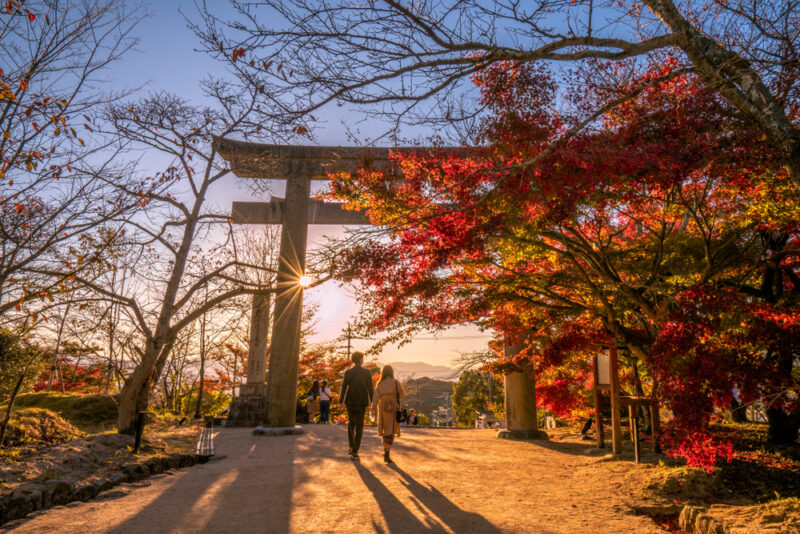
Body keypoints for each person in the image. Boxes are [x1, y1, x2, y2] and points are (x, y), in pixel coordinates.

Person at [339, 352, 374, 460]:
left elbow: (344, 387)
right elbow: (370, 389)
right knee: (359, 426)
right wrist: (372, 403)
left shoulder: (348, 372)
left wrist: (341, 402)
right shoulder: (367, 372)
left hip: (350, 401)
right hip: (362, 402)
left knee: (351, 423)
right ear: (360, 360)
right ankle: (355, 451)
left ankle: (351, 447)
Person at [371, 365, 403, 464]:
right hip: (393, 409)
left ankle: (385, 450)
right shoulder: (396, 383)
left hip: (383, 409)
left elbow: (375, 398)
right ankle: (387, 452)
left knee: (385, 430)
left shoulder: (379, 384)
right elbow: (401, 394)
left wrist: (372, 409)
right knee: (391, 430)